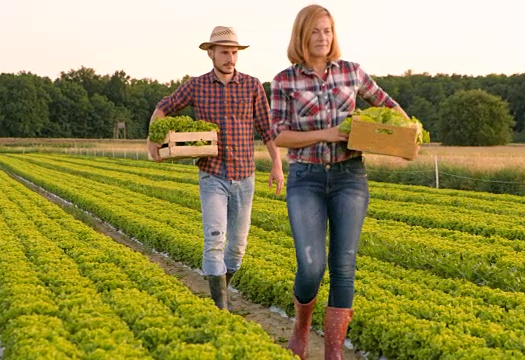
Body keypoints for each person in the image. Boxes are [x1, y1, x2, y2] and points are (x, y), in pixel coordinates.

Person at [270, 5, 416, 359]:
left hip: (350, 176)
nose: (323, 38)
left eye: (327, 31)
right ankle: (302, 325)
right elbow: (278, 135)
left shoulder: (352, 72)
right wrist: (330, 132)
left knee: (344, 264)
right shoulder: (284, 81)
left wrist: (405, 132)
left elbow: (388, 105)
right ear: (301, 36)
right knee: (311, 265)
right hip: (306, 178)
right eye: (315, 32)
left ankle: (333, 351)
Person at [148, 25, 284, 311]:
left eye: (234, 52)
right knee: (214, 239)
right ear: (211, 53)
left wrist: (276, 164)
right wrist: (153, 139)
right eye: (224, 52)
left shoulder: (252, 85)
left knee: (237, 248)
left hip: (245, 175)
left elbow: (267, 128)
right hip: (212, 174)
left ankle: (222, 289)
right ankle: (220, 308)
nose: (230, 58)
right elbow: (164, 107)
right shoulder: (196, 85)